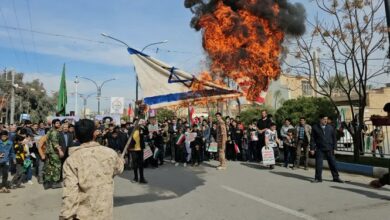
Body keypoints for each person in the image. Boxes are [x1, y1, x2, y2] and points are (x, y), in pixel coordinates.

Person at [59, 119, 124, 220]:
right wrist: (121, 160)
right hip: (105, 214)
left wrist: (66, 217)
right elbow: (119, 169)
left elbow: (70, 193)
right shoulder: (110, 154)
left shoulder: (72, 160)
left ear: (75, 135)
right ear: (94, 134)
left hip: (83, 215)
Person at [310, 115, 343, 183]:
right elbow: (312, 139)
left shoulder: (330, 127)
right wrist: (312, 148)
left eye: (326, 119)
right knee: (319, 164)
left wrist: (335, 148)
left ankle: (336, 177)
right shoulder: (315, 127)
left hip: (329, 148)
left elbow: (334, 138)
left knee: (333, 163)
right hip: (320, 148)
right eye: (324, 119)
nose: (326, 121)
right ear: (320, 119)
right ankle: (318, 178)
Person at [43, 119, 64, 189]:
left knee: (49, 167)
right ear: (53, 124)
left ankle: (47, 183)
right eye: (57, 123)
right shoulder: (54, 132)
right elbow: (55, 142)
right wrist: (60, 151)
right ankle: (55, 183)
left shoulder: (49, 131)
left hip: (48, 152)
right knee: (57, 166)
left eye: (59, 123)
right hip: (53, 152)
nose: (58, 124)